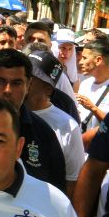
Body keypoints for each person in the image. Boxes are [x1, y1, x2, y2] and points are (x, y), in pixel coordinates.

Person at [0, 48, 67, 193]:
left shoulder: (44, 135)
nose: (7, 90)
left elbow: (55, 192)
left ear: (28, 85)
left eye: (16, 83)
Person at [25, 48, 84, 196]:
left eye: (31, 79)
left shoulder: (68, 126)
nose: (24, 82)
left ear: (48, 89)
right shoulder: (6, 113)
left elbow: (73, 180)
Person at [76, 40, 109, 139]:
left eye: (84, 58)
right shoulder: (85, 84)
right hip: (80, 148)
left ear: (98, 60)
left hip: (100, 151)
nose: (80, 62)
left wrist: (93, 108)